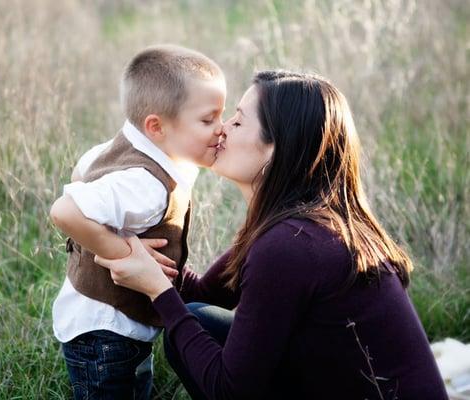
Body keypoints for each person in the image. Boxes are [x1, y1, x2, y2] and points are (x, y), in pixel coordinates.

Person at [94, 70, 448, 399]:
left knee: (193, 324)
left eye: (238, 120)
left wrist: (157, 289)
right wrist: (139, 240)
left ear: (276, 148)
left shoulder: (290, 246)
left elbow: (227, 390)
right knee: (201, 318)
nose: (222, 129)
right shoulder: (300, 223)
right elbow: (203, 293)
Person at [49, 44, 226, 400]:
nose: (221, 129)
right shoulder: (144, 184)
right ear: (156, 126)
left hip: (118, 323)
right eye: (208, 120)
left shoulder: (139, 145)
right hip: (104, 334)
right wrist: (125, 249)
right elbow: (64, 211)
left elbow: (83, 169)